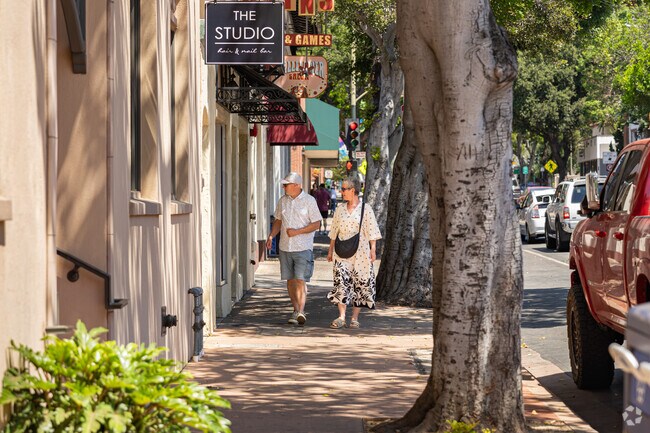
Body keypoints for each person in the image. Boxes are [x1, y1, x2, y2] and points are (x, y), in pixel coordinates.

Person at [266, 172, 322, 326]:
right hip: (285, 247)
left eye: (286, 185)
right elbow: (278, 221)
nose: (283, 187)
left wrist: (297, 232)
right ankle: (296, 310)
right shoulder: (282, 201)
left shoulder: (309, 201)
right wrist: (271, 236)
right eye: (283, 185)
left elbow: (317, 224)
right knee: (290, 281)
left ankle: (301, 311)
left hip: (303, 247)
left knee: (300, 280)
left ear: (297, 185)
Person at [326, 176, 381, 329]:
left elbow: (372, 231)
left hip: (361, 253)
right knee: (341, 282)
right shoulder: (339, 209)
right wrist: (330, 251)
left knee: (360, 284)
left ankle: (354, 318)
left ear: (353, 190)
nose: (341, 192)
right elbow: (333, 231)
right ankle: (341, 317)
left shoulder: (366, 209)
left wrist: (373, 250)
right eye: (342, 189)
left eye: (344, 189)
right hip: (341, 252)